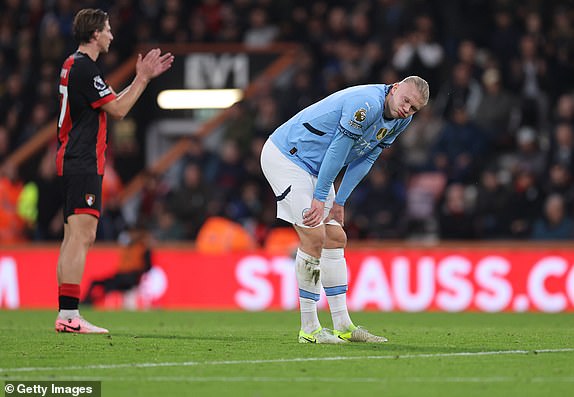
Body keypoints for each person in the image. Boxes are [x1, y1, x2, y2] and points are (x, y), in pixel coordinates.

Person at [260, 76, 429, 343]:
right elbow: (339, 148)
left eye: (413, 109)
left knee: (336, 238)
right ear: (395, 88)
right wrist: (319, 196)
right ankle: (310, 329)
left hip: (317, 168)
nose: (406, 109)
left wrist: (339, 202)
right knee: (314, 236)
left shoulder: (401, 119)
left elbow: (368, 155)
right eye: (405, 101)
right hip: (288, 157)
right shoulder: (366, 103)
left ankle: (343, 325)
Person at [55, 8, 174, 334]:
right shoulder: (84, 69)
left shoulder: (72, 65)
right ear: (94, 34)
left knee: (72, 237)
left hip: (71, 160)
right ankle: (69, 314)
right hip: (82, 161)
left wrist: (139, 79)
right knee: (82, 236)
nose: (111, 34)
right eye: (107, 29)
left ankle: (66, 313)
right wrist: (143, 78)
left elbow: (110, 103)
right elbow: (120, 109)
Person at [82, 225, 153, 306]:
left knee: (106, 287)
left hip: (130, 279)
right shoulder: (128, 246)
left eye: (133, 233)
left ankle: (90, 302)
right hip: (120, 276)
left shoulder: (143, 248)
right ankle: (88, 301)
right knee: (96, 283)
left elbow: (148, 267)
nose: (131, 235)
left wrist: (137, 276)